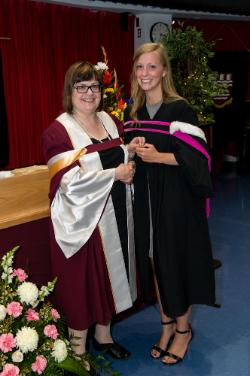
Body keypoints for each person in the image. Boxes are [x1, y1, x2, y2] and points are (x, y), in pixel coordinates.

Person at [41, 61, 139, 371]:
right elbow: (67, 181)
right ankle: (79, 351)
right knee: (83, 283)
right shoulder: (58, 131)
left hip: (115, 212)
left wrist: (130, 152)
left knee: (111, 278)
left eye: (94, 86)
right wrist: (115, 173)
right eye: (80, 86)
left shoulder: (110, 121)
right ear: (69, 92)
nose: (88, 93)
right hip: (81, 223)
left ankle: (105, 336)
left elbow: (116, 154)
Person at [124, 42, 216, 365]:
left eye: (151, 67)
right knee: (155, 263)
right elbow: (125, 154)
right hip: (146, 201)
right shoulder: (131, 111)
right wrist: (131, 150)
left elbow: (199, 159)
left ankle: (182, 330)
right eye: (140, 67)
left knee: (175, 261)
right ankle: (165, 326)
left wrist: (160, 156)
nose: (145, 73)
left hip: (176, 201)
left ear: (164, 70)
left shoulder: (180, 110)